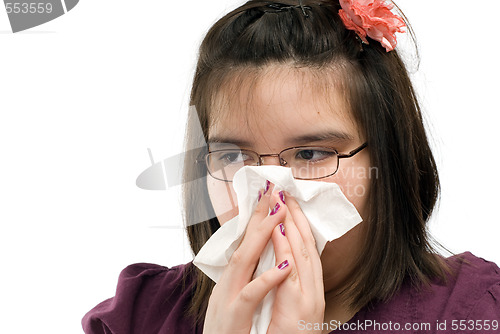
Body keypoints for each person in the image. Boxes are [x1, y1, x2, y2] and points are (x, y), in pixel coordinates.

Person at [82, 0, 500, 333]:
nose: (270, 194)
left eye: (311, 154)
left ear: (388, 162)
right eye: (233, 157)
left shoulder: (473, 312)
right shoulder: (138, 318)